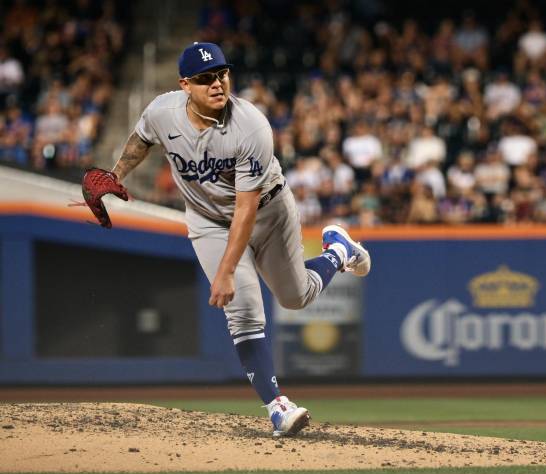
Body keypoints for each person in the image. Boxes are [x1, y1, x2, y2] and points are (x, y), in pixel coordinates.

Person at [108, 42, 372, 437]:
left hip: (267, 211)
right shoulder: (162, 112)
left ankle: (337, 252)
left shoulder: (251, 126)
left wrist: (227, 271)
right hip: (209, 220)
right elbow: (141, 138)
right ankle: (278, 407)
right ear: (185, 85)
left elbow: (246, 210)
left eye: (221, 73)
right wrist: (114, 177)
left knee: (295, 297)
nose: (217, 83)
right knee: (245, 310)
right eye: (205, 78)